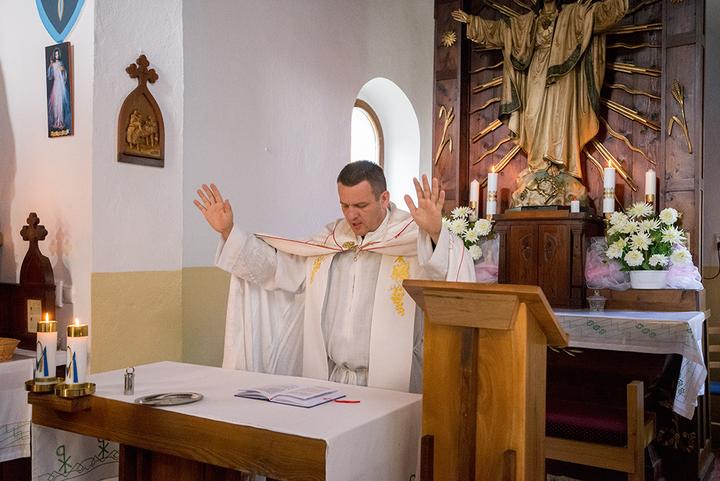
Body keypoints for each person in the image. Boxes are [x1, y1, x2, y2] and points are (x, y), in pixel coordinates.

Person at [194, 161, 475, 393]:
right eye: (344, 205)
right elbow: (279, 269)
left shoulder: (412, 237)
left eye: (361, 205)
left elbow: (448, 279)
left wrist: (436, 233)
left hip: (390, 385)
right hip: (330, 379)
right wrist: (229, 232)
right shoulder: (331, 238)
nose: (351, 215)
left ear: (384, 198)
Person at [452, 0, 627, 206]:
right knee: (532, 116)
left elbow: (599, 15)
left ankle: (560, 167)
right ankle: (538, 166)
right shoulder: (527, 22)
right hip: (535, 74)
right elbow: (501, 31)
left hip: (563, 79)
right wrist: (473, 22)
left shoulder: (573, 14)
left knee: (559, 117)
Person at [47, 48, 71, 132]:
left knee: (60, 103)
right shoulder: (53, 64)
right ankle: (56, 121)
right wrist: (50, 65)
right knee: (55, 104)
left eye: (57, 54)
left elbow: (64, 75)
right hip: (55, 84)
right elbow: (50, 76)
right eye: (55, 54)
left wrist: (63, 71)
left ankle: (60, 121)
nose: (56, 56)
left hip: (60, 85)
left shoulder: (61, 63)